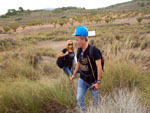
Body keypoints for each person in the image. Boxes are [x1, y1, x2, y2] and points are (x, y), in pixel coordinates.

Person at [70, 26, 102, 112]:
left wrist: (98, 82)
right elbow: (78, 63)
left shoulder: (94, 50)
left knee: (96, 104)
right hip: (82, 79)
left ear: (83, 39)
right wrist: (73, 75)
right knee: (79, 99)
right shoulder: (79, 50)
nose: (76, 42)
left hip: (93, 81)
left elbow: (99, 67)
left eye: (77, 40)